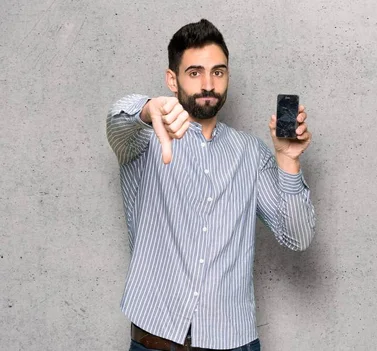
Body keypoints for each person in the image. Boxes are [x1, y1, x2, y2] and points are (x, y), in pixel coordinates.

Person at [106, 19, 316, 351]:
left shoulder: (251, 153)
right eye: (195, 72)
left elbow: (298, 237)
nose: (208, 83)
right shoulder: (143, 141)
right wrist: (148, 109)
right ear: (172, 80)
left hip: (233, 342)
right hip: (156, 340)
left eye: (218, 72)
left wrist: (288, 161)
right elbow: (117, 122)